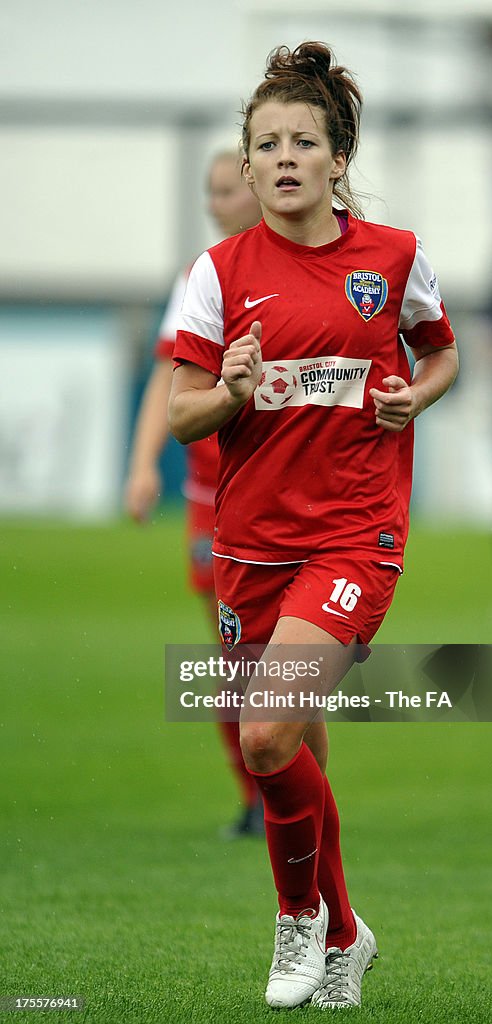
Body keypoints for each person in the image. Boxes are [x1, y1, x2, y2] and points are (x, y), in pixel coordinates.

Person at [169, 41, 458, 1009]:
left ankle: (297, 923)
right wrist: (231, 390)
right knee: (293, 745)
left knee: (260, 738)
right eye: (265, 143)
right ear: (246, 167)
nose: (284, 156)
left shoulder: (393, 257)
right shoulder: (217, 274)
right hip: (251, 546)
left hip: (353, 536)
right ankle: (344, 931)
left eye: (303, 141)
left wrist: (415, 397)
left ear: (339, 160)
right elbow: (179, 413)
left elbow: (441, 352)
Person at [125, 151, 264, 836]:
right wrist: (143, 463)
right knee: (236, 654)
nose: (216, 203)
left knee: (282, 658)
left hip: (283, 491)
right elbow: (165, 376)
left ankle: (286, 789)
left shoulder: (298, 267)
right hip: (215, 497)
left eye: (225, 190)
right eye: (209, 192)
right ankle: (256, 797)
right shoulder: (199, 277)